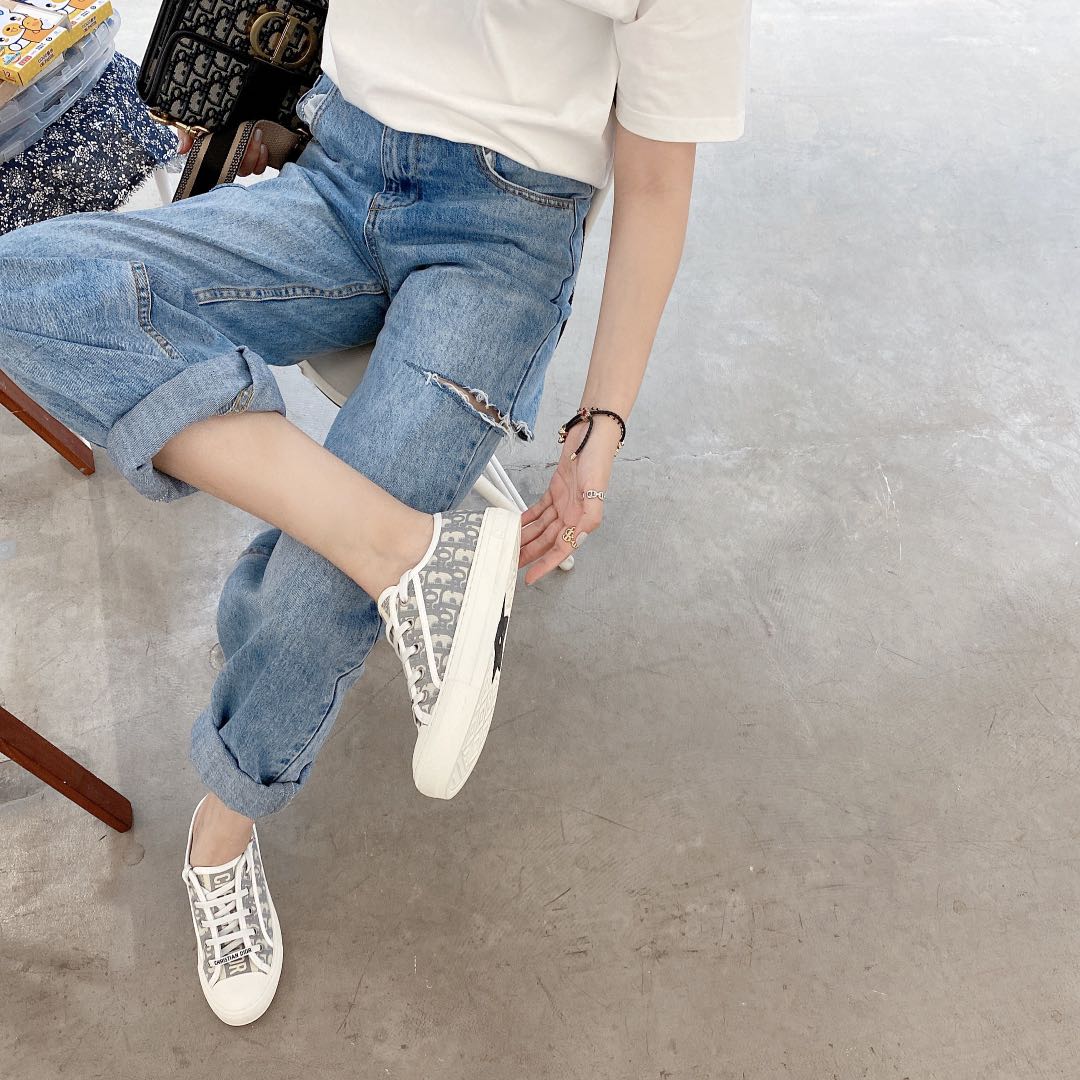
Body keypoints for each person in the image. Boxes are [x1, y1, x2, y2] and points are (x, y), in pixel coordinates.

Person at [0, 0, 751, 1026]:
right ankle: (408, 549)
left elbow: (659, 181)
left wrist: (601, 425)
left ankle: (223, 828)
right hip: (339, 167)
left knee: (313, 592)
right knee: (25, 287)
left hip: (505, 238)